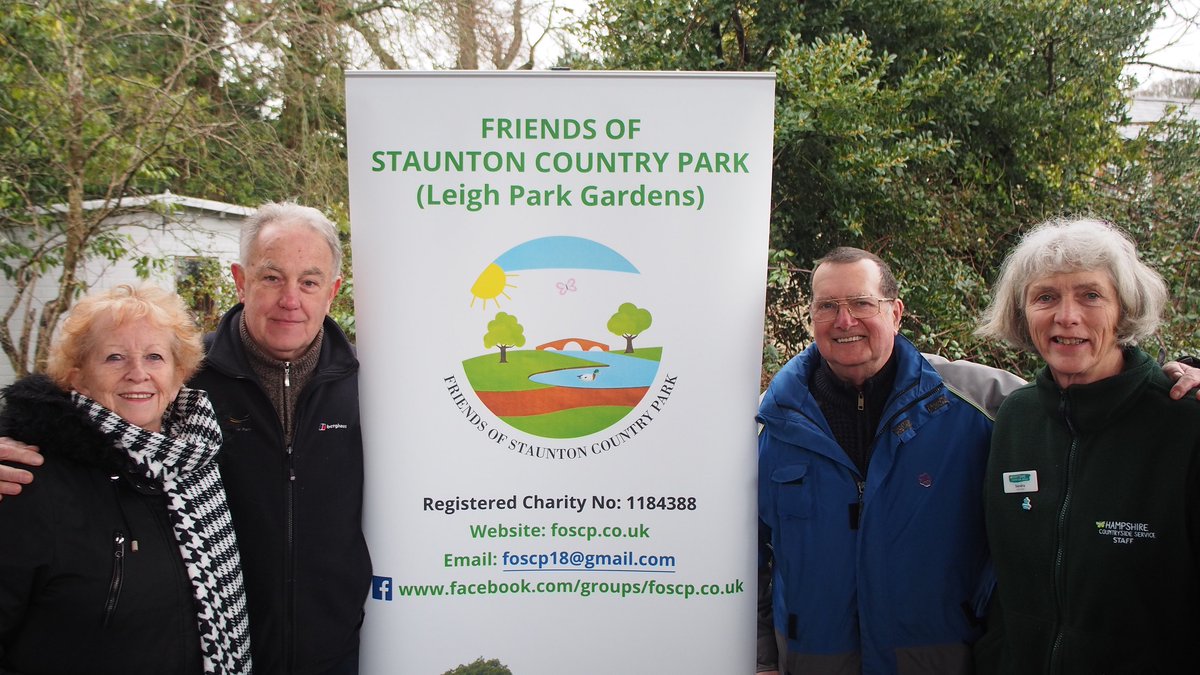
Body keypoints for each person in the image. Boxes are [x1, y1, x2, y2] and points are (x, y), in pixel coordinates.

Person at [755, 246, 1200, 675]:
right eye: (827, 305)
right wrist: (762, 657)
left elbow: (1082, 397)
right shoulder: (772, 421)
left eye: (861, 303)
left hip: (941, 660)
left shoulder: (979, 400)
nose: (844, 320)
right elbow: (748, 552)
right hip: (812, 660)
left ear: (895, 311)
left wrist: (1169, 380)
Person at [0, 202, 370, 675]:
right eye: (272, 277)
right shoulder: (187, 377)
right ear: (240, 279)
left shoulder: (373, 386)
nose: (291, 299)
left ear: (333, 291)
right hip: (216, 652)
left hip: (332, 656)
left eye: (310, 281)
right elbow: (72, 412)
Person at [974, 217, 1200, 672]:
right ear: (1022, 314)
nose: (1067, 316)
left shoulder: (1184, 424)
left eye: (1090, 295)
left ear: (1124, 310)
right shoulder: (1014, 419)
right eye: (1046, 297)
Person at [0, 284, 251, 674]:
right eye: (114, 357)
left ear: (178, 373)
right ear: (78, 377)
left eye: (154, 356)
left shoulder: (200, 465)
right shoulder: (28, 479)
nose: (138, 374)